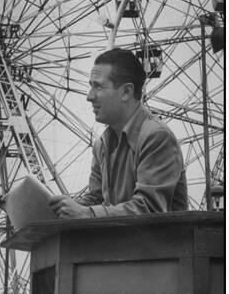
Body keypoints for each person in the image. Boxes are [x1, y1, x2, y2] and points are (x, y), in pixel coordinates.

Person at [49, 47, 188, 219]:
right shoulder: (102, 144)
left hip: (158, 245)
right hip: (120, 243)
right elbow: (96, 199)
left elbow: (149, 209)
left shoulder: (156, 137)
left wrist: (87, 214)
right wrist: (54, 209)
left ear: (126, 92)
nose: (89, 96)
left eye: (98, 87)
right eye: (91, 86)